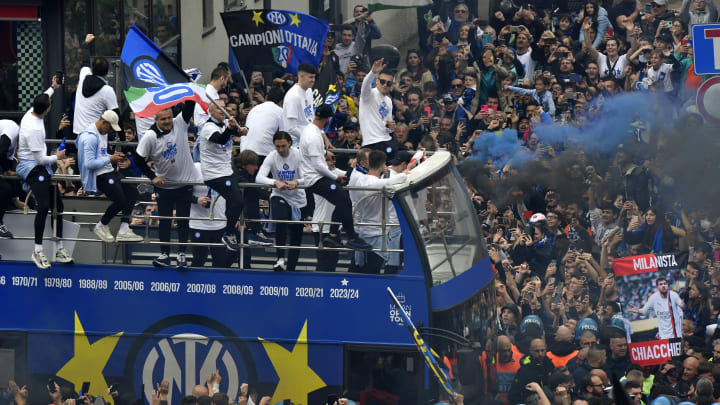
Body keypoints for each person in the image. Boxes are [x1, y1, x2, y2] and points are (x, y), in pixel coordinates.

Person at [16, 77, 74, 268]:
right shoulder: (33, 128)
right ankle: (37, 251)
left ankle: (60, 249)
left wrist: (53, 87)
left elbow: (44, 97)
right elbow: (40, 160)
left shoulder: (32, 112)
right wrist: (57, 156)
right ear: (47, 109)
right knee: (44, 206)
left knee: (59, 206)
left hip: (41, 164)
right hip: (32, 166)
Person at [135, 100, 198, 269]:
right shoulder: (150, 136)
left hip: (184, 183)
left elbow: (190, 106)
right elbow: (138, 159)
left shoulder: (179, 123)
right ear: (156, 120)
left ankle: (182, 253)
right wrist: (152, 177)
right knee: (164, 220)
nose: (168, 121)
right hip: (164, 186)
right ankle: (164, 254)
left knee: (183, 220)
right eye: (163, 119)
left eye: (169, 117)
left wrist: (189, 88)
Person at [300, 104, 371, 251]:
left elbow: (316, 157)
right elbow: (318, 165)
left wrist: (325, 151)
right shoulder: (313, 136)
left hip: (315, 175)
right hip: (315, 179)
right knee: (345, 201)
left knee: (343, 199)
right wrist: (335, 177)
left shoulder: (311, 129)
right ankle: (345, 236)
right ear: (327, 119)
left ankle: (338, 236)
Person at [77, 110, 143, 243]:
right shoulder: (90, 137)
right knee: (120, 201)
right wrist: (110, 159)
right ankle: (101, 225)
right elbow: (89, 164)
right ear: (104, 122)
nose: (111, 131)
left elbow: (100, 155)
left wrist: (112, 157)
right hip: (99, 175)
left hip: (108, 172)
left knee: (132, 192)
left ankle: (124, 229)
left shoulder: (102, 133)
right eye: (111, 127)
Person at [198, 99, 246, 252]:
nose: (223, 111)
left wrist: (242, 129)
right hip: (214, 175)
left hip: (227, 171)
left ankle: (257, 228)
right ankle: (229, 233)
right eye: (219, 108)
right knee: (237, 202)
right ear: (210, 111)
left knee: (250, 185)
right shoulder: (208, 127)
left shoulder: (226, 123)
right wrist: (230, 129)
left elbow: (236, 132)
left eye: (224, 108)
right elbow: (220, 140)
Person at [349, 149, 408, 273]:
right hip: (373, 233)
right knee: (370, 269)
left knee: (363, 268)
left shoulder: (360, 178)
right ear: (382, 164)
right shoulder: (375, 183)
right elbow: (401, 178)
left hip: (365, 229)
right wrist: (406, 173)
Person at [256, 131, 306, 271]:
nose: (280, 150)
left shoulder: (298, 154)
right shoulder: (272, 156)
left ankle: (291, 267)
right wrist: (275, 182)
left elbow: (308, 177)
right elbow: (259, 177)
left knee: (296, 235)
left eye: (283, 146)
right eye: (277, 146)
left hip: (298, 197)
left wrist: (296, 181)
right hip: (280, 194)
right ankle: (280, 258)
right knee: (281, 219)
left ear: (290, 143)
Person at [73, 34, 120, 137]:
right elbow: (116, 114)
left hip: (79, 132)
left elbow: (85, 61)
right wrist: (122, 137)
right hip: (96, 133)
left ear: (92, 69)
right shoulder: (107, 90)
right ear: (107, 72)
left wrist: (86, 44)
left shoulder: (84, 74)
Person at [189, 161, 228, 268]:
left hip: (220, 223)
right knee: (199, 258)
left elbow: (233, 194)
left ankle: (218, 284)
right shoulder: (195, 167)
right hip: (198, 223)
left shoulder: (226, 167)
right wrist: (197, 200)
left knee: (220, 261)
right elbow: (182, 192)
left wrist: (237, 215)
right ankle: (193, 284)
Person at [359, 58, 397, 158]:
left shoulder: (388, 101)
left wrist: (391, 127)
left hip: (386, 139)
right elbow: (365, 85)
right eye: (383, 81)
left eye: (388, 83)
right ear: (377, 81)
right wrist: (372, 72)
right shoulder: (368, 94)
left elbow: (388, 127)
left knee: (406, 154)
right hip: (372, 142)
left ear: (391, 85)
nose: (385, 85)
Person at [242, 87, 285, 161]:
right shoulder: (280, 111)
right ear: (281, 102)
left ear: (266, 97)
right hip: (263, 154)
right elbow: (284, 135)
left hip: (244, 151)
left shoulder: (254, 109)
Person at [508, 337, 554, 405]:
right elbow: (513, 394)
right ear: (530, 351)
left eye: (542, 350)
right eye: (537, 351)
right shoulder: (524, 370)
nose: (540, 354)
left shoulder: (550, 366)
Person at [283, 63, 316, 147]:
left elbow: (311, 117)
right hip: (295, 145)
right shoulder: (293, 96)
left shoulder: (309, 90)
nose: (313, 80)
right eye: (311, 77)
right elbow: (292, 128)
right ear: (301, 76)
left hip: (308, 140)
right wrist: (309, 139)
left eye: (314, 77)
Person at [0, 119, 20, 239]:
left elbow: (10, 174)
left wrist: (15, 198)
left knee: (6, 188)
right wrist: (7, 169)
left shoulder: (14, 145)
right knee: (4, 188)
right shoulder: (13, 127)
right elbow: (1, 151)